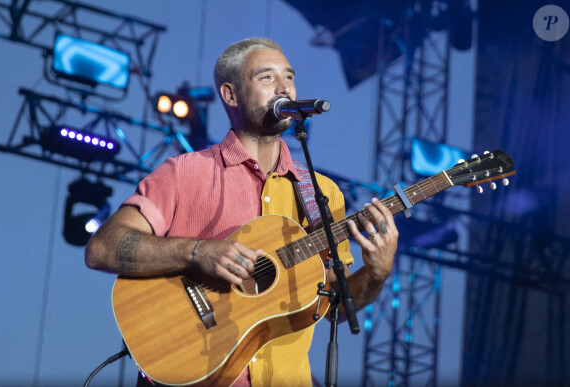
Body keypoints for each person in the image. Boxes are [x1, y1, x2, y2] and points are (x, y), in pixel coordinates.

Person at [85, 37, 398, 387]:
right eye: (267, 78)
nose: (284, 87)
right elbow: (102, 248)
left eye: (290, 77)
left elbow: (335, 309)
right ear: (230, 95)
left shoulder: (323, 194)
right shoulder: (184, 173)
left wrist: (377, 271)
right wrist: (197, 251)